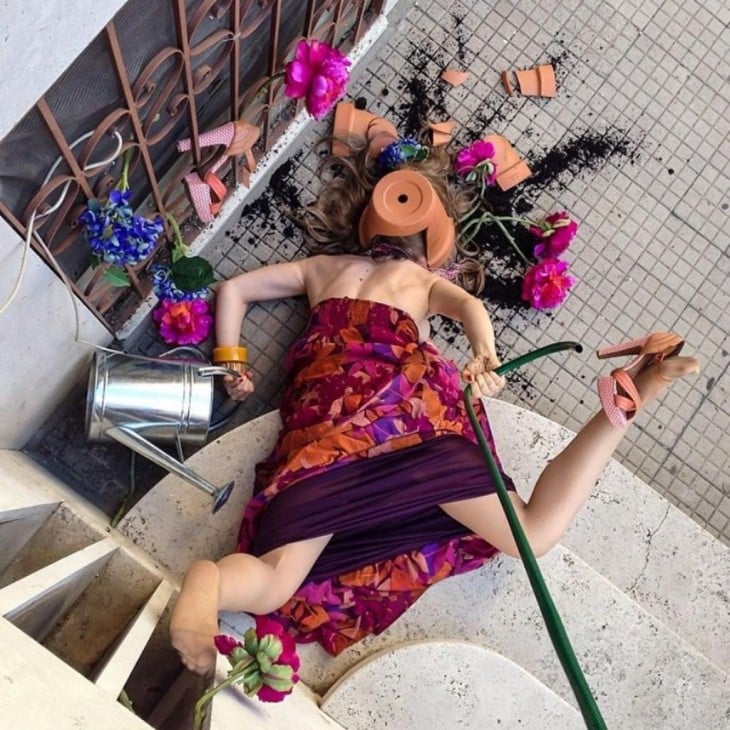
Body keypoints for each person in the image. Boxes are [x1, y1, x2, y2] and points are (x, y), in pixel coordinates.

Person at [169, 138, 700, 674]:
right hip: (409, 427)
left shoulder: (320, 268)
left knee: (277, 580)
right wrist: (483, 353)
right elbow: (468, 306)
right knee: (532, 533)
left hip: (326, 438)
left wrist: (232, 361)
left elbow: (233, 289)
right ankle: (625, 402)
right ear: (435, 245)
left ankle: (208, 583)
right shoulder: (420, 280)